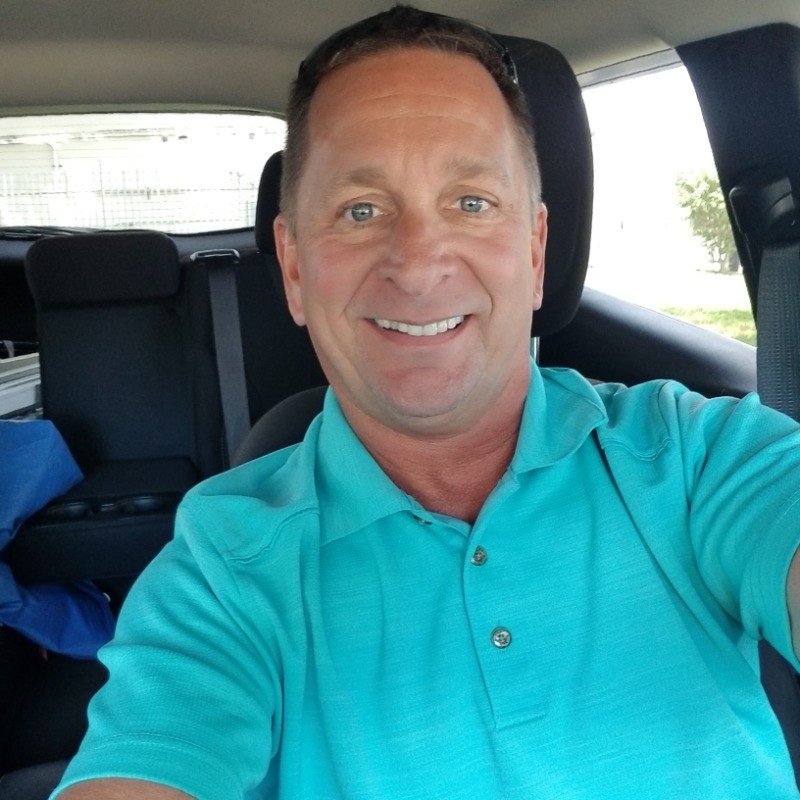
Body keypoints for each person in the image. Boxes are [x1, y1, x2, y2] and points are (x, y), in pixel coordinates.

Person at [54, 6, 800, 799]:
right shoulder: (225, 563)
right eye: (360, 210)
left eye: (471, 202)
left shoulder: (698, 457)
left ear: (537, 252)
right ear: (295, 267)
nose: (416, 264)